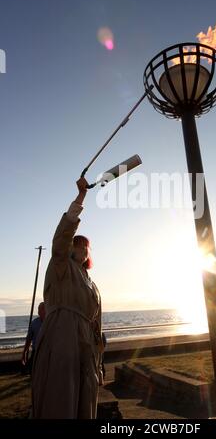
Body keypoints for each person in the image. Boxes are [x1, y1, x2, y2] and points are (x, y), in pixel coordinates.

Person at [32, 177, 105, 419]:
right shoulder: (60, 264)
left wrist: (99, 361)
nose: (82, 248)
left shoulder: (93, 285)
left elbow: (97, 325)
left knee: (85, 397)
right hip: (62, 333)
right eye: (78, 243)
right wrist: (81, 197)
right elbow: (63, 233)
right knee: (61, 395)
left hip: (87, 344)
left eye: (86, 246)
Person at [21, 302, 46, 374]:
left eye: (41, 309)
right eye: (38, 309)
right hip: (36, 351)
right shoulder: (34, 322)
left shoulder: (51, 322)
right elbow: (29, 339)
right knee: (33, 372)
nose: (39, 311)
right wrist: (24, 352)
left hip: (48, 352)